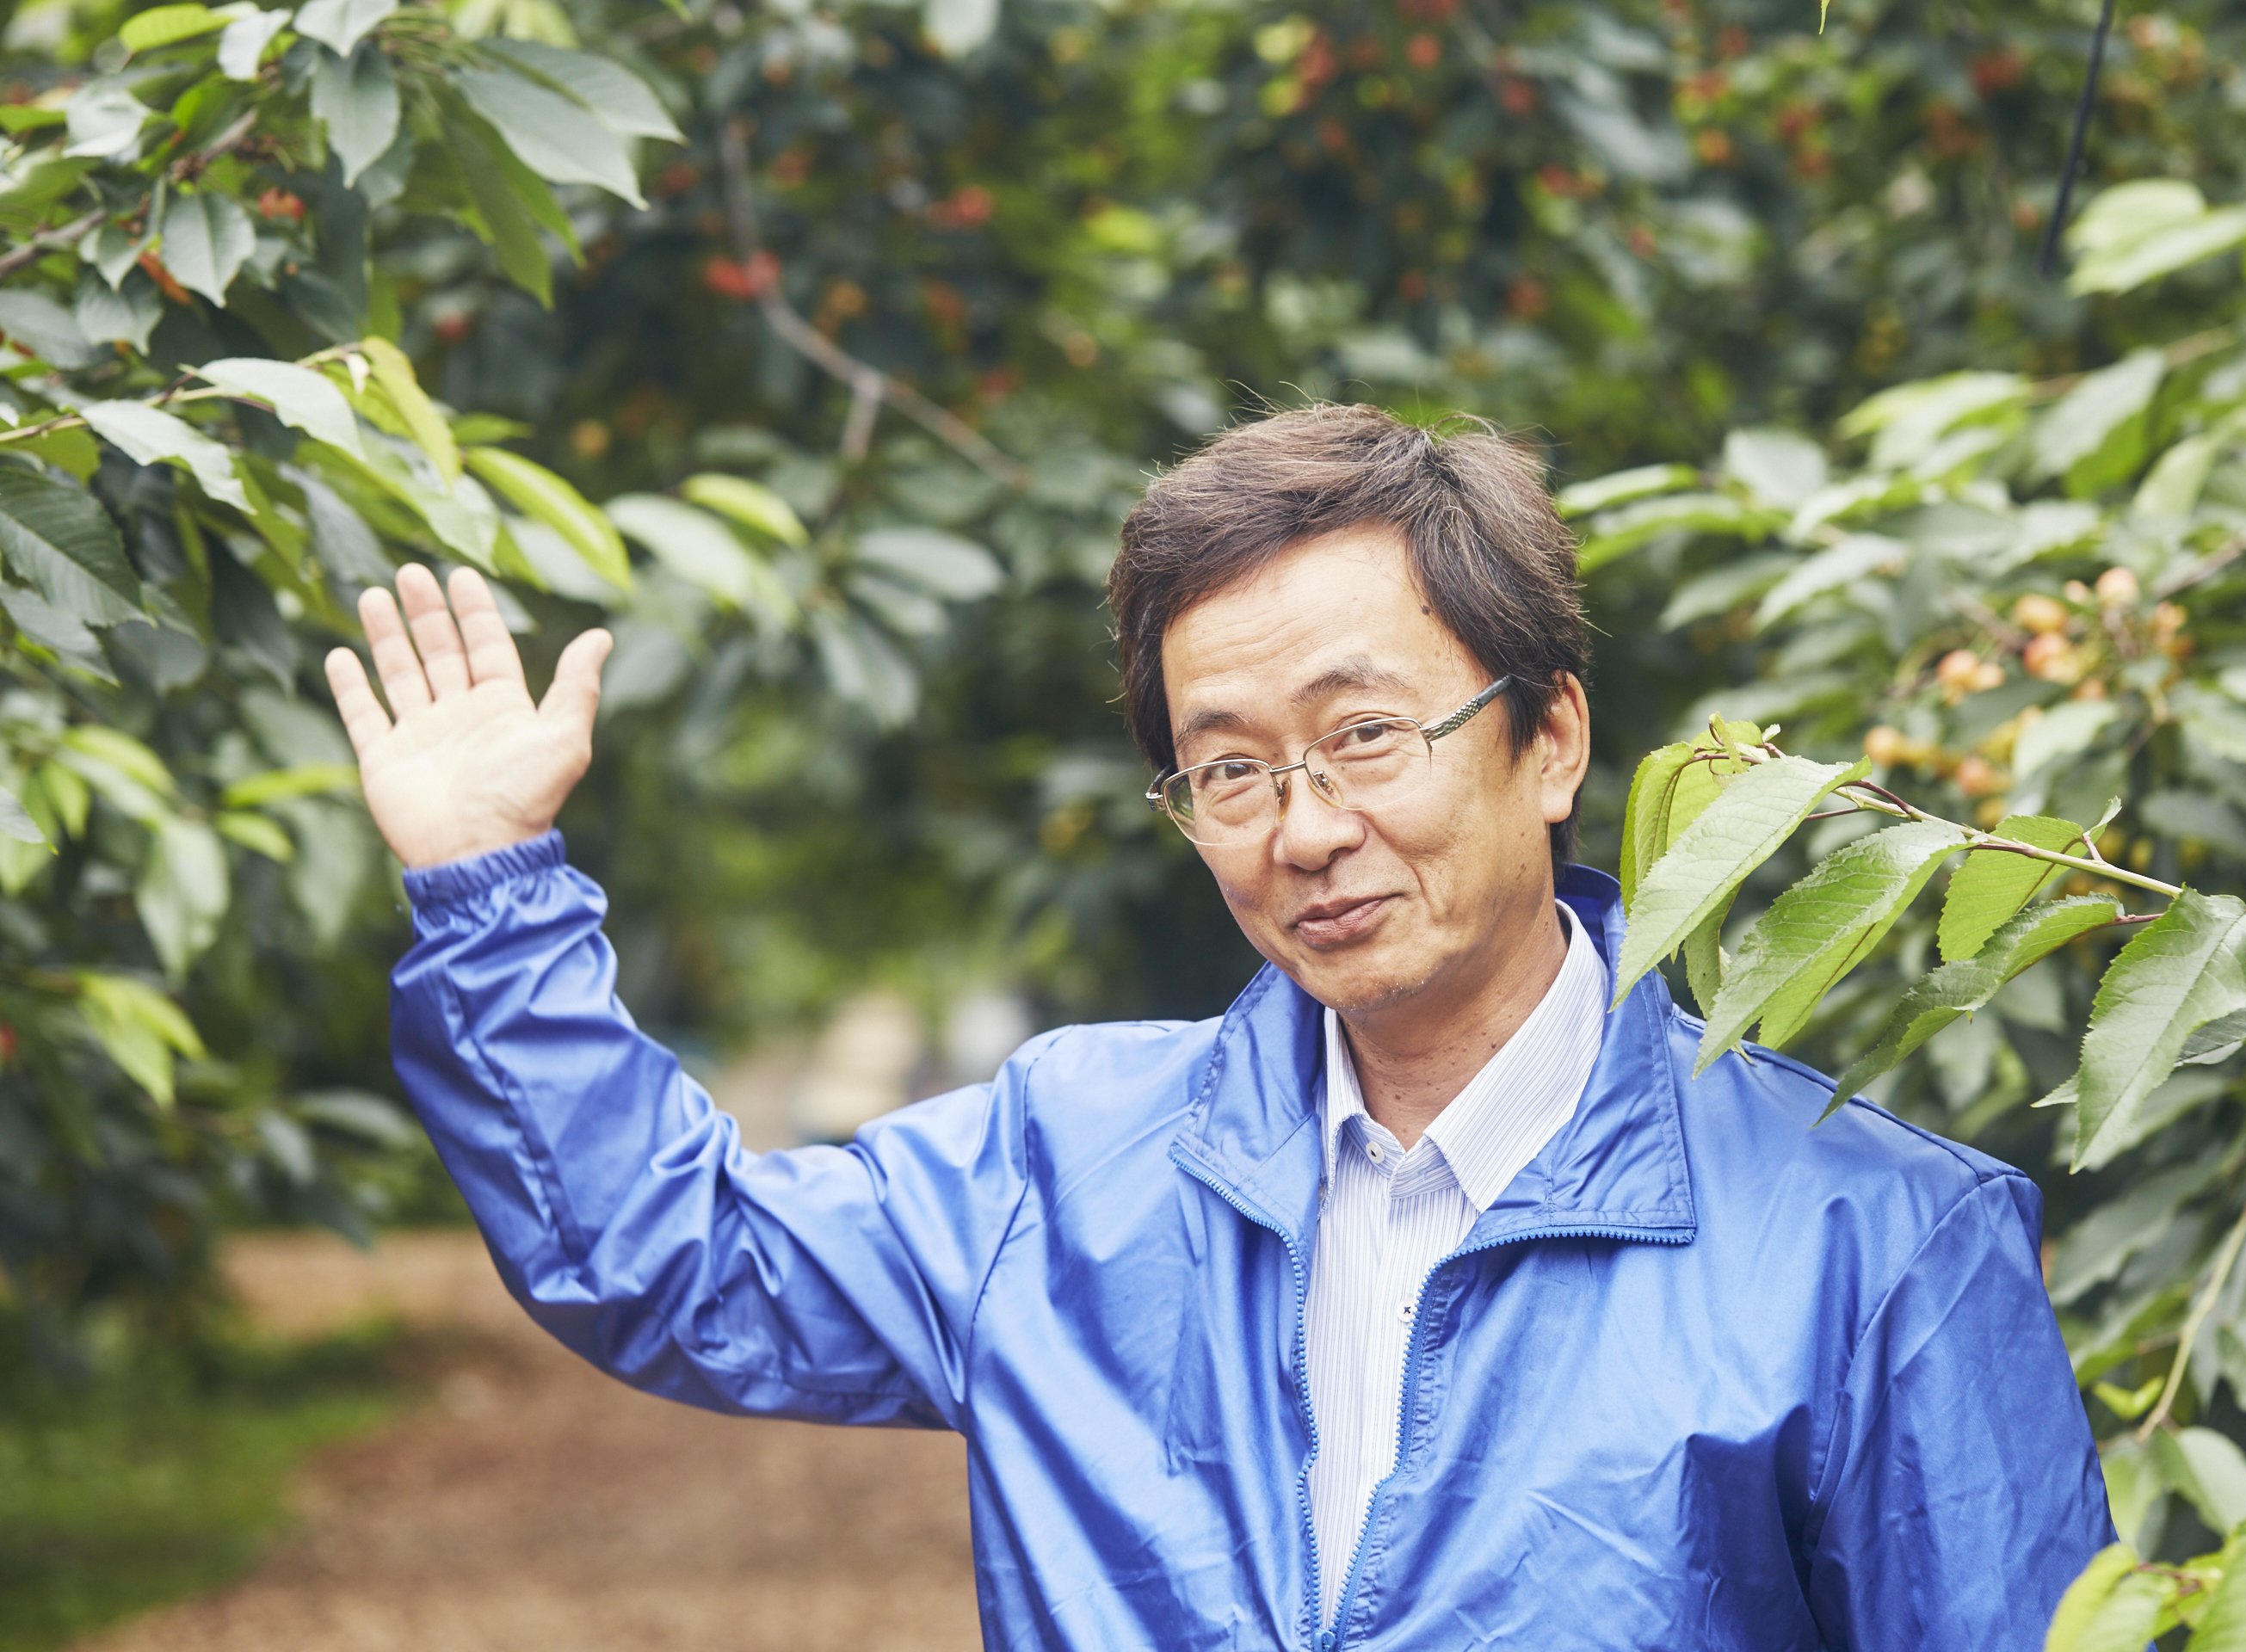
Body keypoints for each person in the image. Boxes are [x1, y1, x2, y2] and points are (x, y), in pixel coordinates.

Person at [329, 404, 2113, 1651]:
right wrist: (492, 892)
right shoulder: (1071, 1162)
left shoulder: (1873, 1243)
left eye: (1365, 736)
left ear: (1550, 739)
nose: (1304, 826)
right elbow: (671, 1258)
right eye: (1231, 769)